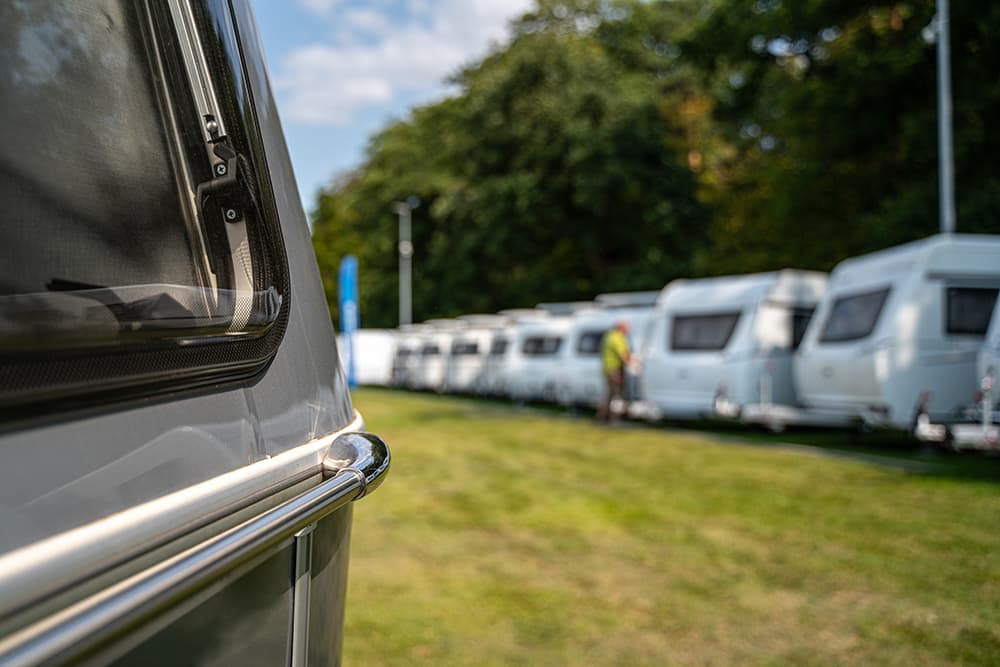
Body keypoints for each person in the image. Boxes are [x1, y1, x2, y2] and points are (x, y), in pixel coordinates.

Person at [597, 321, 632, 423]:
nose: (628, 331)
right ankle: (614, 418)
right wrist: (634, 364)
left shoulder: (609, 336)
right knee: (617, 394)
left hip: (608, 369)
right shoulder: (617, 338)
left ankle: (602, 417)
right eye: (627, 328)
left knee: (609, 394)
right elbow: (623, 355)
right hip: (614, 370)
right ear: (621, 328)